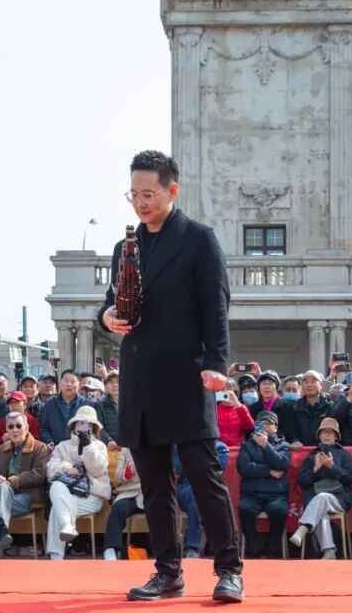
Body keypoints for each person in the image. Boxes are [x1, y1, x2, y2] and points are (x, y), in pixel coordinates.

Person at [98, 151, 243, 603]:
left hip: (188, 376)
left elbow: (217, 306)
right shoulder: (126, 247)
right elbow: (108, 302)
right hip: (140, 377)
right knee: (154, 484)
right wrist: (106, 316)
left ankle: (229, 570)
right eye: (134, 195)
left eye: (149, 194)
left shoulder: (198, 239)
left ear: (172, 190)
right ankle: (167, 572)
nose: (140, 203)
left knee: (204, 475)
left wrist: (216, 363)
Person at [0, 411, 49, 557]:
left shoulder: (39, 447)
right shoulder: (1, 450)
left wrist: (11, 481)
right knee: (1, 490)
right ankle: (2, 530)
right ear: (7, 430)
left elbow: (39, 474)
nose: (15, 430)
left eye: (18, 426)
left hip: (29, 496)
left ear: (26, 427)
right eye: (11, 427)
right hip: (5, 495)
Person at [44, 406, 110, 561]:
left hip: (92, 496)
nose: (84, 426)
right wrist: (66, 467)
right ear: (74, 425)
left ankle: (56, 554)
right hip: (66, 493)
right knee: (56, 486)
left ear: (93, 427)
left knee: (58, 509)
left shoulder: (99, 446)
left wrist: (88, 446)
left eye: (88, 423)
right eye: (80, 422)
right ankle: (67, 526)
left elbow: (98, 470)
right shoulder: (62, 446)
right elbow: (50, 469)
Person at [290, 417, 352, 559]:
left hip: (339, 497)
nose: (327, 435)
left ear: (336, 437)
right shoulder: (312, 455)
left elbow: (350, 478)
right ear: (319, 436)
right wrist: (315, 469)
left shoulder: (343, 454)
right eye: (324, 432)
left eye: (330, 432)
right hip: (315, 497)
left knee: (322, 497)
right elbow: (302, 481)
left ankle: (303, 527)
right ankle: (329, 551)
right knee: (321, 513)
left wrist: (332, 466)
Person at [236, 411, 290, 559]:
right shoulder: (247, 445)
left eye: (268, 424)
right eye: (261, 423)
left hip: (276, 494)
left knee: (278, 510)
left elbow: (282, 464)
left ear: (276, 427)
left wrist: (266, 446)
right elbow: (244, 468)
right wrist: (269, 471)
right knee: (245, 509)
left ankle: (273, 551)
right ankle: (252, 549)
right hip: (252, 494)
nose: (265, 426)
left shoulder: (284, 445)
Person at [174, 440, 230, 559]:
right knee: (196, 496)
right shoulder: (179, 446)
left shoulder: (220, 447)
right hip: (187, 487)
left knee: (202, 497)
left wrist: (193, 460)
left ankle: (194, 546)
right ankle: (196, 546)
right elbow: (177, 469)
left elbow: (217, 468)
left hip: (210, 488)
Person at [102, 446, 143, 561]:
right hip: (129, 492)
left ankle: (166, 551)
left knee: (162, 509)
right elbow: (118, 477)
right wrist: (128, 471)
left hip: (151, 493)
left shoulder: (157, 448)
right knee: (118, 508)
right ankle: (110, 549)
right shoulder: (126, 450)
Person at [283, 371, 331, 449]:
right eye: (306, 382)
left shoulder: (329, 406)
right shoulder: (294, 407)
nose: (309, 385)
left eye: (313, 381)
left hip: (324, 450)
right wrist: (295, 440)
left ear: (321, 385)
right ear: (302, 386)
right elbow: (291, 430)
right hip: (301, 451)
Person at [39, 370, 83, 447]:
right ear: (60, 383)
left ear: (79, 385)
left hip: (79, 449)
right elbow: (44, 428)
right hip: (56, 449)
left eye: (73, 381)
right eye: (66, 381)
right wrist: (48, 440)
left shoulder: (85, 404)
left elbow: (87, 429)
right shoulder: (50, 404)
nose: (69, 384)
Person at [98, 371, 120, 449]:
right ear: (106, 386)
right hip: (109, 448)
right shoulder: (100, 405)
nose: (115, 385)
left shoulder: (131, 404)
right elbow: (99, 427)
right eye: (111, 382)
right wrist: (108, 440)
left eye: (118, 382)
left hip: (129, 447)